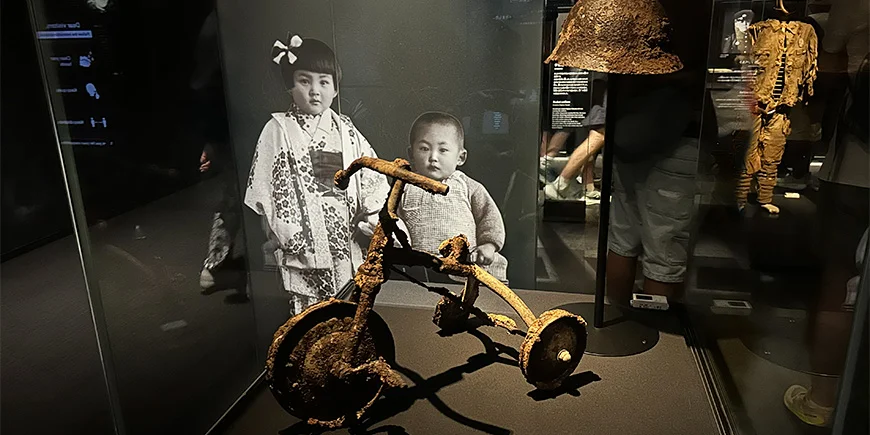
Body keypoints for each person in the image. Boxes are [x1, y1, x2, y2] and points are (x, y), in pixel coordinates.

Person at [244, 34, 389, 314]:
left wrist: (373, 222)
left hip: (345, 239)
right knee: (307, 316)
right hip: (303, 239)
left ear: (335, 89)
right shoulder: (278, 130)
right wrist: (290, 235)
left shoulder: (346, 131)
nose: (315, 91)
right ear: (290, 85)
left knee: (349, 312)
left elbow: (371, 180)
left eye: (324, 82)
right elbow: (269, 190)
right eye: (304, 80)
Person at [399, 112, 509, 282]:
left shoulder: (468, 187)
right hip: (421, 273)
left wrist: (488, 246)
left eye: (443, 150)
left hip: (465, 269)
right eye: (424, 149)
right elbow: (394, 222)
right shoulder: (403, 189)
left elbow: (490, 218)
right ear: (411, 153)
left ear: (460, 157)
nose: (433, 157)